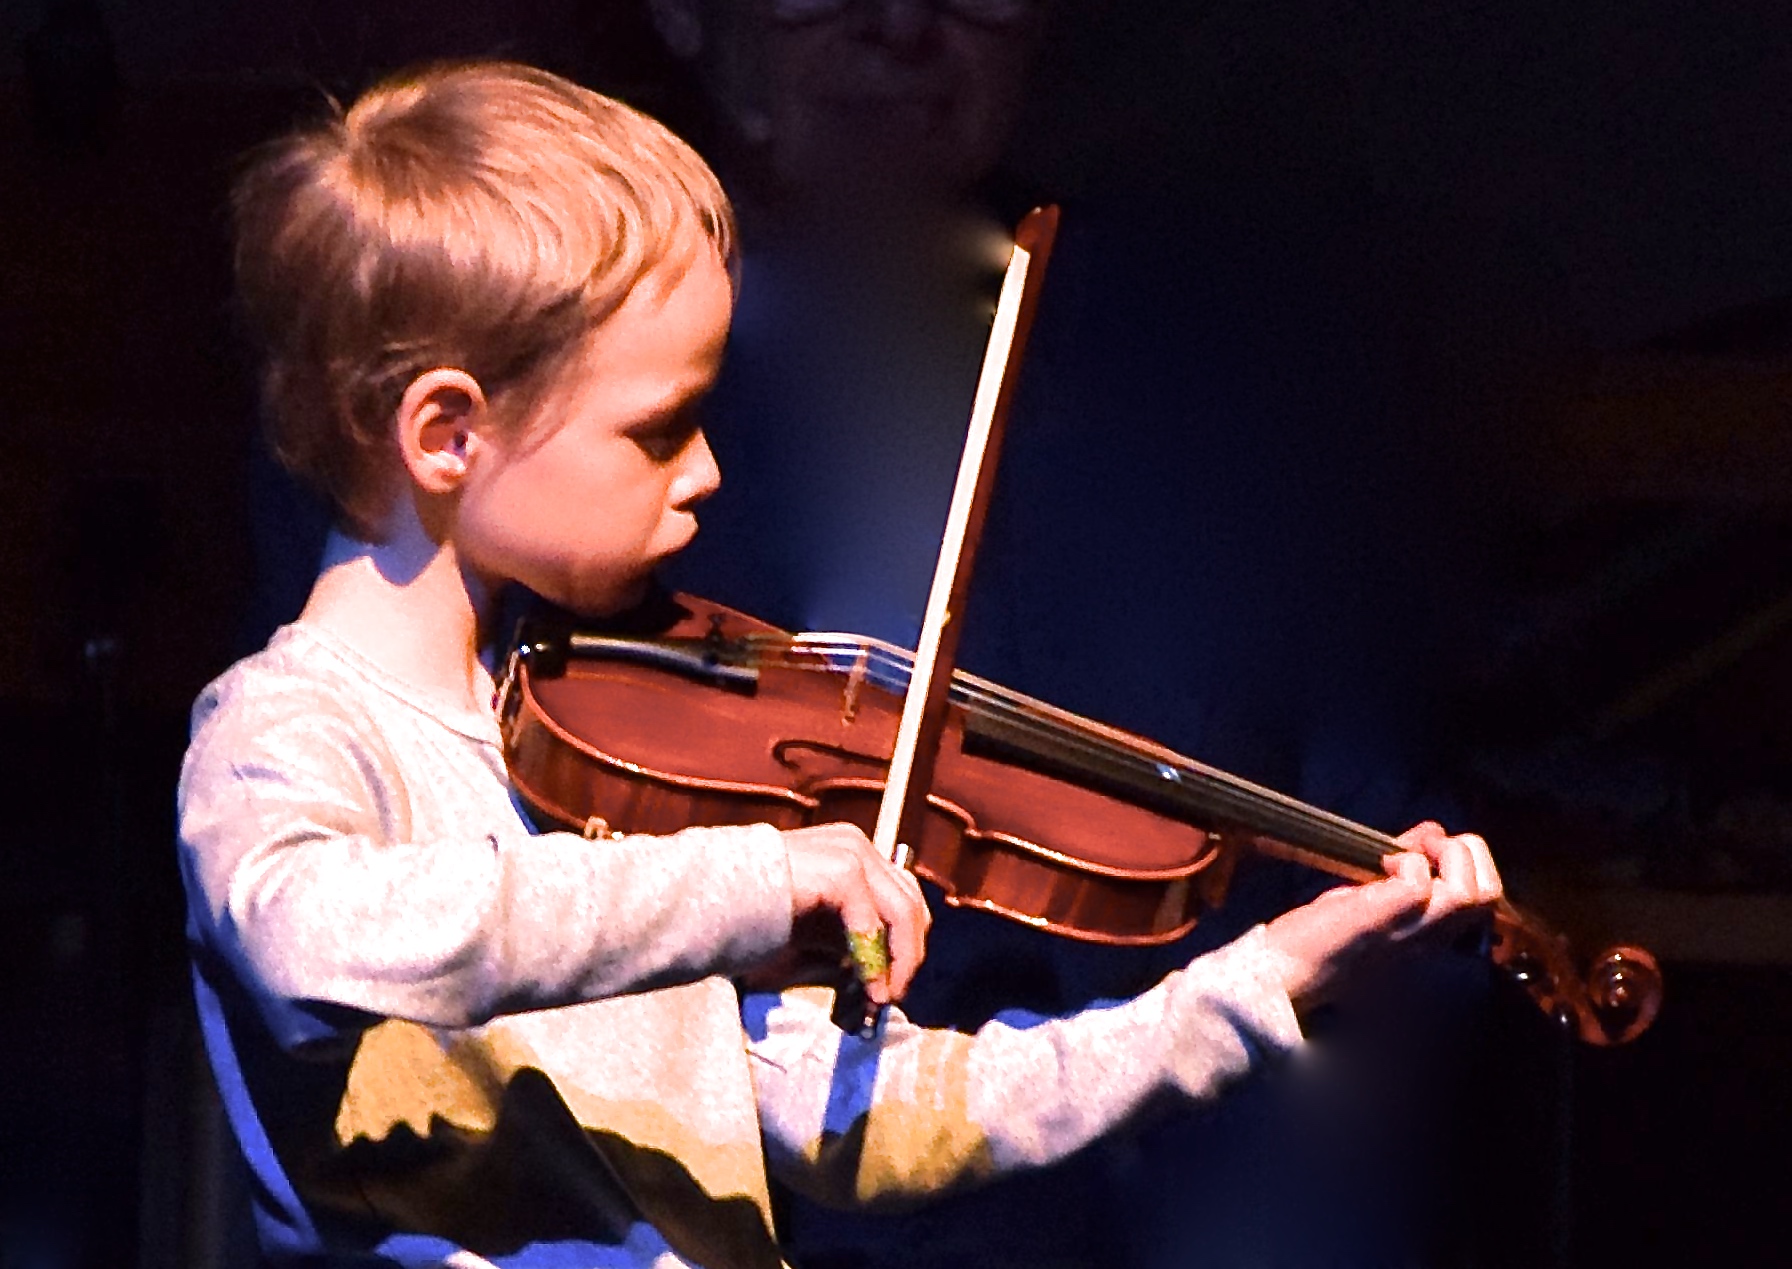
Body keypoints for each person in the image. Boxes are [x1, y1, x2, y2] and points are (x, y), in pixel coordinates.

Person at [177, 60, 1503, 1267]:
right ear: (447, 433)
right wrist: (757, 882)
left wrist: (1256, 982)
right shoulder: (288, 733)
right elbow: (317, 941)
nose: (706, 471)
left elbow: (864, 1116)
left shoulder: (618, 754)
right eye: (657, 428)